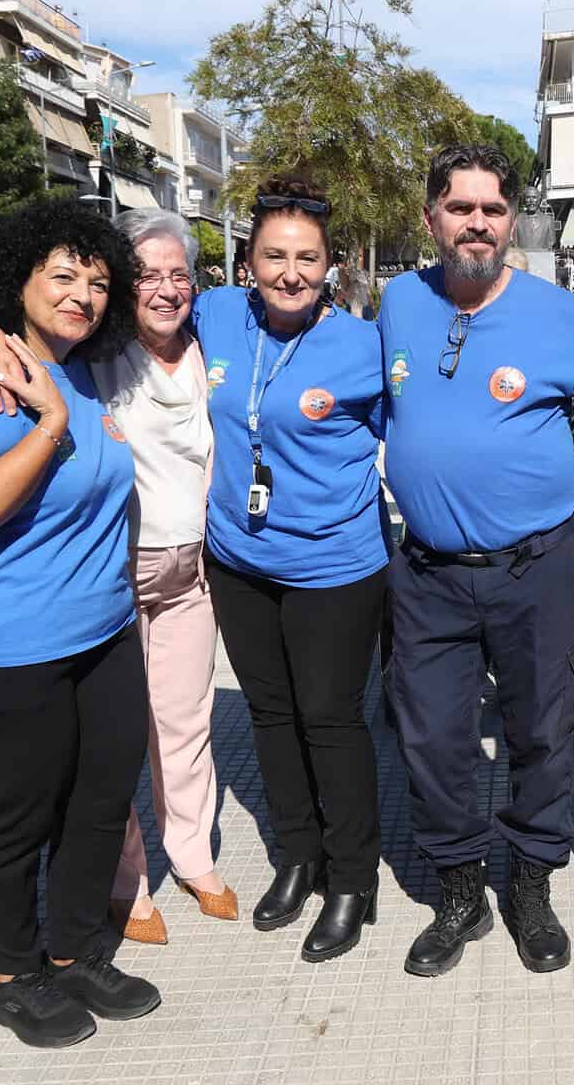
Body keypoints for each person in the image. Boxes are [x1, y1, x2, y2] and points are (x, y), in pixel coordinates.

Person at [0, 209, 237, 948]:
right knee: (86, 771)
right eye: (145, 274)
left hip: (184, 573)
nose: (165, 288)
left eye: (179, 274)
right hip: (102, 577)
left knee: (174, 729)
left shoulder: (206, 344)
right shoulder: (93, 357)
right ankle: (123, 889)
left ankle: (190, 859)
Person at [0, 197, 158, 1048]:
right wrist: (47, 422)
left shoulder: (87, 371)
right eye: (62, 276)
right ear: (17, 279)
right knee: (14, 820)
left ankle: (74, 951)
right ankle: (12, 977)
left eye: (98, 283)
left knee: (98, 803)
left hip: (101, 639)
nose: (82, 295)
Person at [378, 144, 574, 978]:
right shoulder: (397, 302)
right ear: (430, 217)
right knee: (431, 738)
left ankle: (530, 885)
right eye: (460, 207)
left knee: (541, 732)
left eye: (492, 208)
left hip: (535, 568)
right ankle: (459, 893)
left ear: (512, 220)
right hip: (427, 573)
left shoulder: (565, 319)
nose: (476, 222)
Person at [197, 179, 388, 962]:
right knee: (269, 715)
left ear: (330, 266)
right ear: (247, 261)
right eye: (274, 256)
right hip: (238, 559)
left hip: (334, 565)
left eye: (307, 258)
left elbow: (418, 431)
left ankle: (352, 879)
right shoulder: (214, 315)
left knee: (330, 719)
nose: (290, 272)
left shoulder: (363, 346)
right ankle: (298, 856)